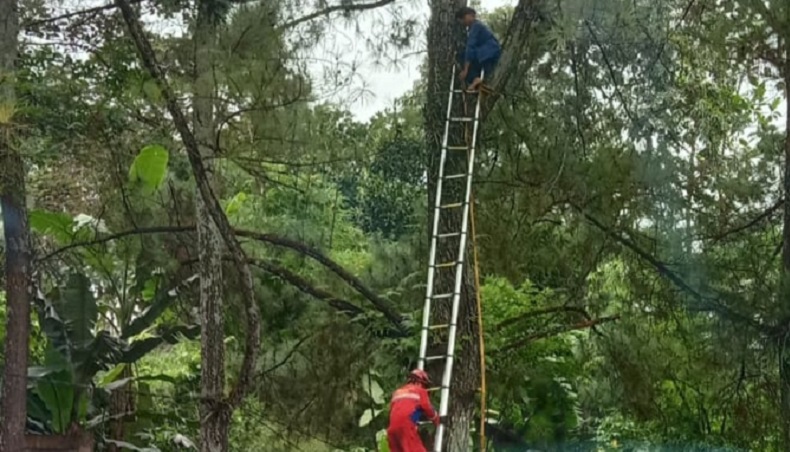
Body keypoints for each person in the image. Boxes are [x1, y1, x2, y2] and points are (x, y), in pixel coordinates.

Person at [387, 369, 440, 452]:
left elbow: (397, 411)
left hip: (392, 431)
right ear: (420, 383)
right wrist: (436, 418)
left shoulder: (397, 392)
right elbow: (427, 408)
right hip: (406, 428)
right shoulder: (420, 391)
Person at [456, 6, 501, 92]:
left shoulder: (476, 26)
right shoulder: (475, 27)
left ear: (470, 15)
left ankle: (475, 78)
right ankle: (476, 79)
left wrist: (465, 70)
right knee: (466, 56)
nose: (463, 22)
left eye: (463, 18)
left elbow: (470, 47)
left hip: (488, 52)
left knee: (463, 55)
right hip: (489, 54)